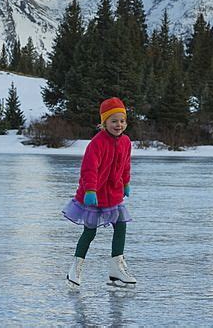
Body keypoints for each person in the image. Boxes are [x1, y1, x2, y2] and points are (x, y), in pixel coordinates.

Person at [62, 97, 136, 288]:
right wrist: (90, 190)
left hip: (114, 194)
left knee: (121, 225)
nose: (118, 124)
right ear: (104, 123)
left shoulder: (126, 142)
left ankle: (116, 267)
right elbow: (89, 168)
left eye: (122, 121)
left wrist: (126, 183)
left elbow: (126, 165)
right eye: (113, 121)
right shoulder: (97, 142)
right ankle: (75, 268)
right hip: (94, 194)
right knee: (90, 231)